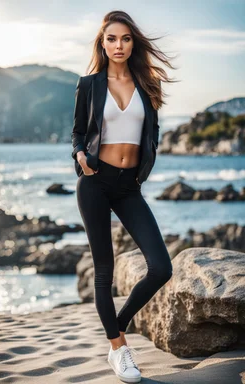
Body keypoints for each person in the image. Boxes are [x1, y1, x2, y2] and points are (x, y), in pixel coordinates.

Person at [71, 10, 177, 383]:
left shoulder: (147, 84)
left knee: (161, 267)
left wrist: (141, 173)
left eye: (126, 38)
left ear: (134, 42)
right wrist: (81, 157)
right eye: (112, 39)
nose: (119, 45)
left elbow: (152, 135)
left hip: (129, 186)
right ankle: (119, 350)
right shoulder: (89, 84)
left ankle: (117, 324)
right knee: (104, 271)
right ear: (103, 43)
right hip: (95, 182)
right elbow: (78, 133)